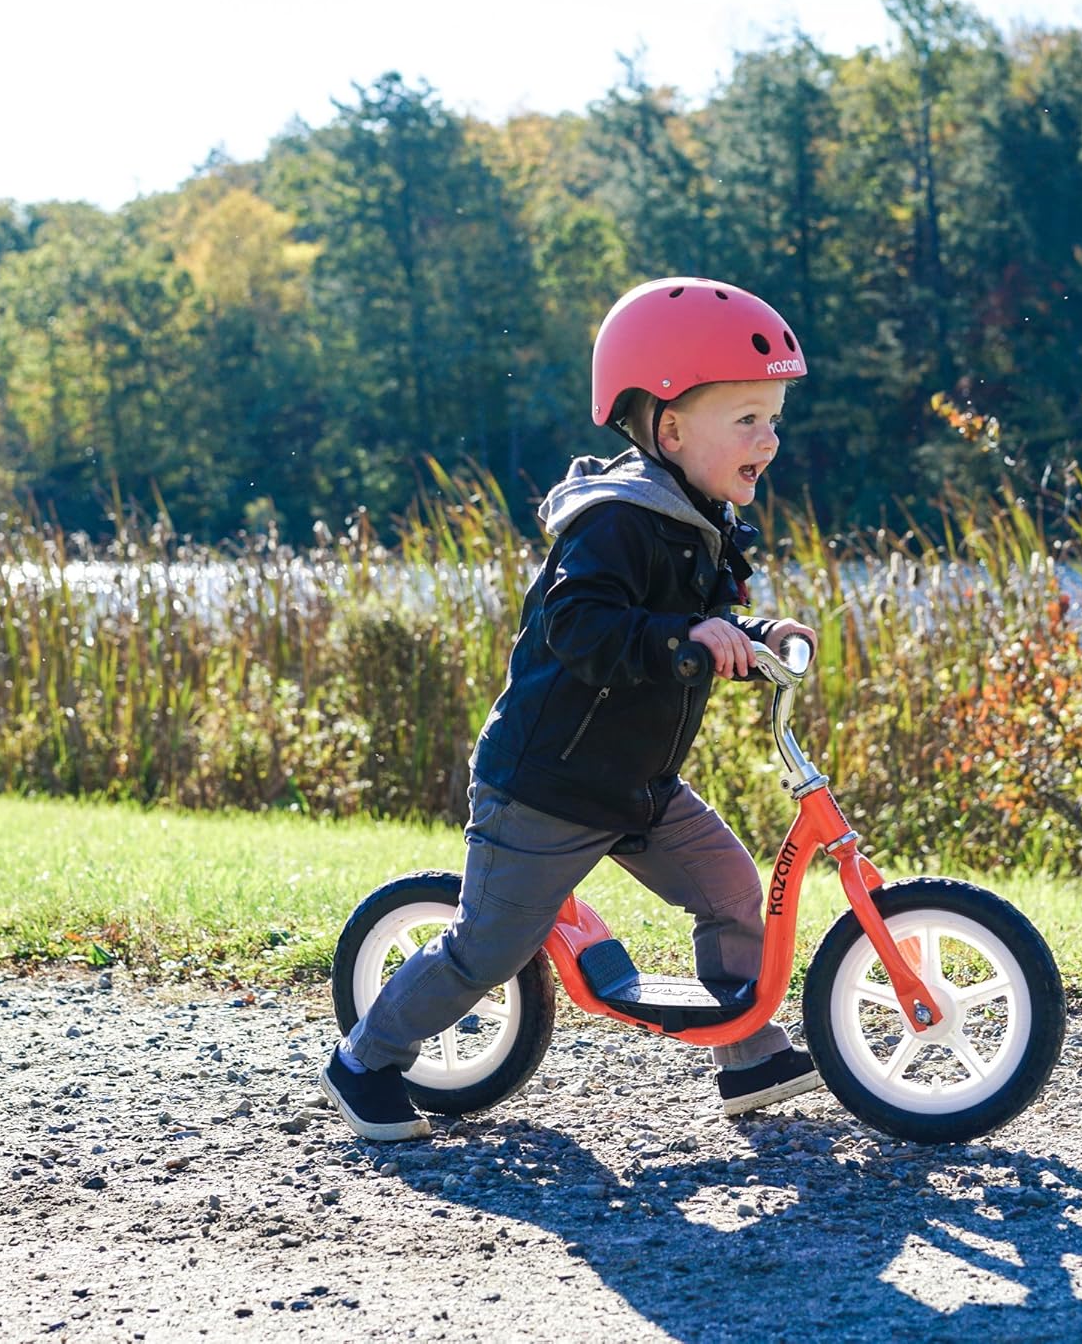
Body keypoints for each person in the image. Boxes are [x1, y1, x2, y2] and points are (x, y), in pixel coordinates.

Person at [321, 277, 824, 1141]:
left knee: (734, 891)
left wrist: (751, 633)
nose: (769, 440)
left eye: (774, 419)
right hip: (547, 788)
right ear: (670, 429)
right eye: (747, 419)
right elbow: (583, 627)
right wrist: (685, 638)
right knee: (489, 948)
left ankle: (747, 1054)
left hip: (637, 785)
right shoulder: (614, 524)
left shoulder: (700, 522)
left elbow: (694, 623)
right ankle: (365, 1059)